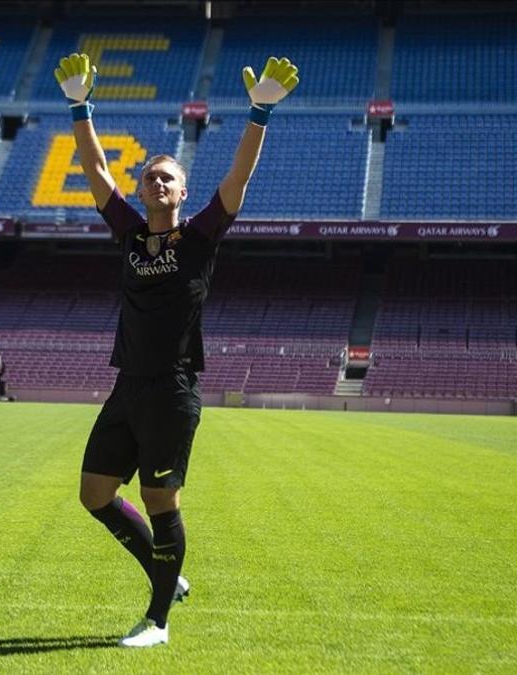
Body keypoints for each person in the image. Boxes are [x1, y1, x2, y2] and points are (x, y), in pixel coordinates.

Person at [55, 52, 299, 647]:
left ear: (183, 192)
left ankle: (157, 621)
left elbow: (238, 179)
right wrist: (81, 108)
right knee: (94, 494)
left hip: (173, 388)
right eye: (149, 178)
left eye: (167, 177)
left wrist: (259, 113)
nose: (155, 182)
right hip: (127, 385)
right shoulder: (130, 234)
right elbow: (95, 172)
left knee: (160, 500)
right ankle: (168, 575)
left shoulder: (198, 238)